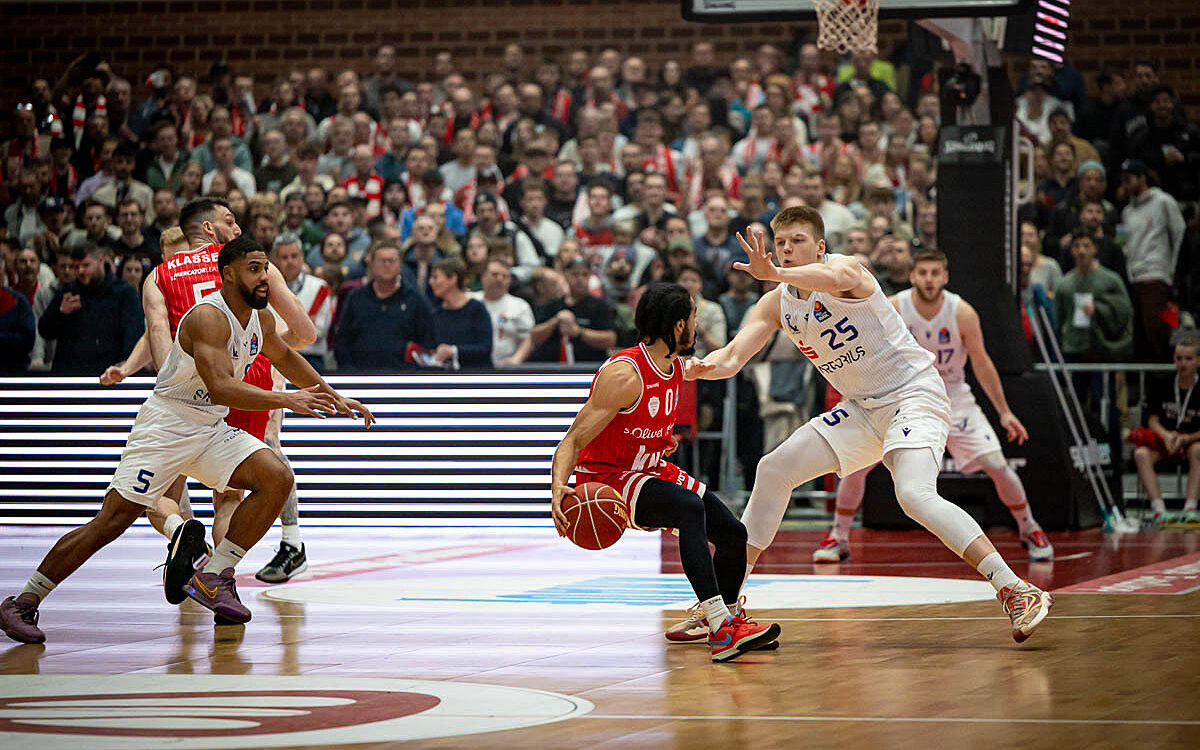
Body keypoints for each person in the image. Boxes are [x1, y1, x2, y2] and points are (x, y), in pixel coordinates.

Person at [677, 207, 1054, 644]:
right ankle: (725, 601)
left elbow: (835, 280)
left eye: (797, 241)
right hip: (862, 408)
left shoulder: (847, 268)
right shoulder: (775, 303)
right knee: (774, 469)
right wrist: (694, 368)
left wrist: (777, 270)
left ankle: (1015, 589)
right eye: (781, 243)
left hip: (914, 394)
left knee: (913, 494)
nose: (786, 249)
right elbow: (731, 357)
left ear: (819, 246)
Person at [0, 236, 374, 644]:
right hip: (167, 425)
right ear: (228, 274)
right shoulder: (207, 317)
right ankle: (23, 601)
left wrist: (333, 396)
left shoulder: (259, 316)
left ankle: (215, 574)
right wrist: (289, 398)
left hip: (209, 427)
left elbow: (284, 357)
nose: (264, 276)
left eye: (265, 267)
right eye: (254, 268)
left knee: (276, 477)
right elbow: (220, 387)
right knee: (112, 522)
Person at [550, 282, 780, 661]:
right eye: (692, 317)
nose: (696, 323)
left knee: (734, 533)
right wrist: (558, 487)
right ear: (678, 327)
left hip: (650, 468)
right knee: (689, 508)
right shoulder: (626, 375)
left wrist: (658, 441)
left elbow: (643, 424)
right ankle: (721, 628)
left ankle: (724, 619)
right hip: (609, 477)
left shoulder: (675, 367)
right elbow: (573, 440)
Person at [814, 249, 1054, 563]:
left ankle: (1029, 528)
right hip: (903, 395)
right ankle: (839, 536)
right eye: (922, 273)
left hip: (951, 396)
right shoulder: (895, 306)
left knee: (997, 464)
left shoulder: (962, 312)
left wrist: (1004, 411)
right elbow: (866, 354)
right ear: (912, 275)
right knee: (857, 467)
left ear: (945, 276)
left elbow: (981, 363)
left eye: (934, 273)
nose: (928, 280)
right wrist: (854, 397)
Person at [39, 241, 144, 374]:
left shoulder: (124, 292)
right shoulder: (68, 291)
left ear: (100, 260)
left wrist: (127, 365)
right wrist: (60, 312)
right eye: (76, 267)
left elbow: (134, 333)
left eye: (85, 265)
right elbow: (44, 331)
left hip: (110, 376)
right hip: (70, 378)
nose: (80, 271)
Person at [1129, 337, 1200, 522]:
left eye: (1188, 359)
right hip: (1166, 440)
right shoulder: (1162, 383)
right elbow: (1152, 420)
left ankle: (1190, 508)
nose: (1182, 363)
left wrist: (1186, 438)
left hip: (1191, 441)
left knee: (1199, 451)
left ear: (1198, 361)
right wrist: (1167, 435)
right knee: (1141, 454)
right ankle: (1159, 509)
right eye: (1179, 358)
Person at [335, 241, 435, 371]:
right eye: (382, 261)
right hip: (360, 377)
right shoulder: (356, 297)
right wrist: (348, 370)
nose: (387, 265)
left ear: (400, 265)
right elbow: (342, 340)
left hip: (404, 378)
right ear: (371, 264)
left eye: (392, 261)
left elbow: (427, 342)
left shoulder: (415, 299)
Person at [428, 257, 493, 369]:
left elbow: (485, 347)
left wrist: (453, 350)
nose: (431, 282)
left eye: (435, 277)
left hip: (477, 378)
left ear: (452, 278)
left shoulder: (476, 309)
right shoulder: (436, 314)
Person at [472, 257, 534, 366]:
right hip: (471, 367)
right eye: (494, 274)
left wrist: (516, 359)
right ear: (483, 277)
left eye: (505, 276)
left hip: (505, 368)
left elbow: (528, 339)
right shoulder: (470, 300)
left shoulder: (519, 306)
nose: (500, 279)